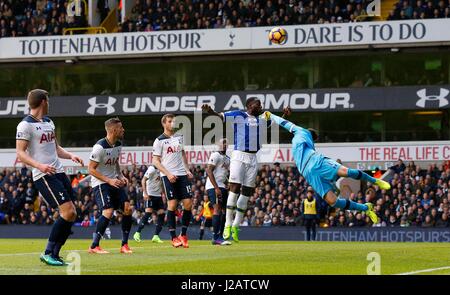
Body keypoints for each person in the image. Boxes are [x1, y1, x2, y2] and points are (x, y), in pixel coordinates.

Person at [264, 111, 391, 223]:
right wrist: (271, 115)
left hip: (315, 161)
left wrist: (271, 115)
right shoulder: (301, 131)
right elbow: (284, 122)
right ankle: (366, 208)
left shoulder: (304, 138)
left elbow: (283, 122)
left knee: (346, 172)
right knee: (333, 201)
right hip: (308, 173)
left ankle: (376, 181)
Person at [202, 99, 290, 242]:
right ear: (249, 106)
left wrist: (284, 115)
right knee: (234, 189)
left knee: (247, 192)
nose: (260, 106)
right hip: (239, 155)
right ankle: (227, 224)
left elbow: (273, 125)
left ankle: (236, 225)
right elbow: (221, 116)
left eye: (261, 104)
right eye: (257, 105)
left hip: (253, 157)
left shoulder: (262, 119)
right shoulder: (239, 115)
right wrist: (210, 111)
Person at [16, 89, 84, 266]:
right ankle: (48, 252)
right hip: (43, 175)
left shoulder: (49, 122)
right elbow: (20, 153)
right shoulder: (25, 125)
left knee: (72, 213)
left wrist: (71, 156)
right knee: (67, 212)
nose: (50, 103)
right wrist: (40, 166)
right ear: (43, 102)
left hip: (59, 172)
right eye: (48, 100)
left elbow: (56, 148)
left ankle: (55, 253)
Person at [88, 117, 133, 254]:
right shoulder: (99, 147)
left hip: (114, 181)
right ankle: (94, 246)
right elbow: (91, 169)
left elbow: (115, 163)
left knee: (127, 208)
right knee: (108, 211)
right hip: (101, 183)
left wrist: (120, 176)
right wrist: (109, 180)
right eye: (121, 128)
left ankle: (124, 245)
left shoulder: (118, 144)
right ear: (114, 130)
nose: (123, 129)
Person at [152, 114, 194, 248]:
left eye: (173, 121)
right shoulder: (159, 140)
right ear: (164, 124)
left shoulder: (179, 137)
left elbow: (182, 154)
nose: (172, 123)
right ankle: (173, 237)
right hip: (168, 175)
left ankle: (183, 234)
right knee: (173, 204)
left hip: (182, 174)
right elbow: (155, 161)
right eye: (170, 121)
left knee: (188, 203)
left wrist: (187, 170)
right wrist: (168, 173)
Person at [205, 138, 232, 245]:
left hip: (222, 186)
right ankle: (216, 237)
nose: (224, 145)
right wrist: (216, 187)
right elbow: (209, 170)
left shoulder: (227, 159)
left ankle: (220, 236)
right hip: (213, 186)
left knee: (222, 210)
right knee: (217, 209)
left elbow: (223, 173)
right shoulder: (215, 155)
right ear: (218, 145)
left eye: (226, 143)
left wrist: (228, 182)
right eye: (222, 143)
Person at [133, 165, 165, 243]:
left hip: (158, 195)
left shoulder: (163, 169)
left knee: (162, 214)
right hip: (150, 194)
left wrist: (163, 193)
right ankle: (137, 233)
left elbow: (161, 182)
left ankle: (156, 236)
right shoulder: (152, 169)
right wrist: (145, 193)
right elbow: (143, 180)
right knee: (148, 213)